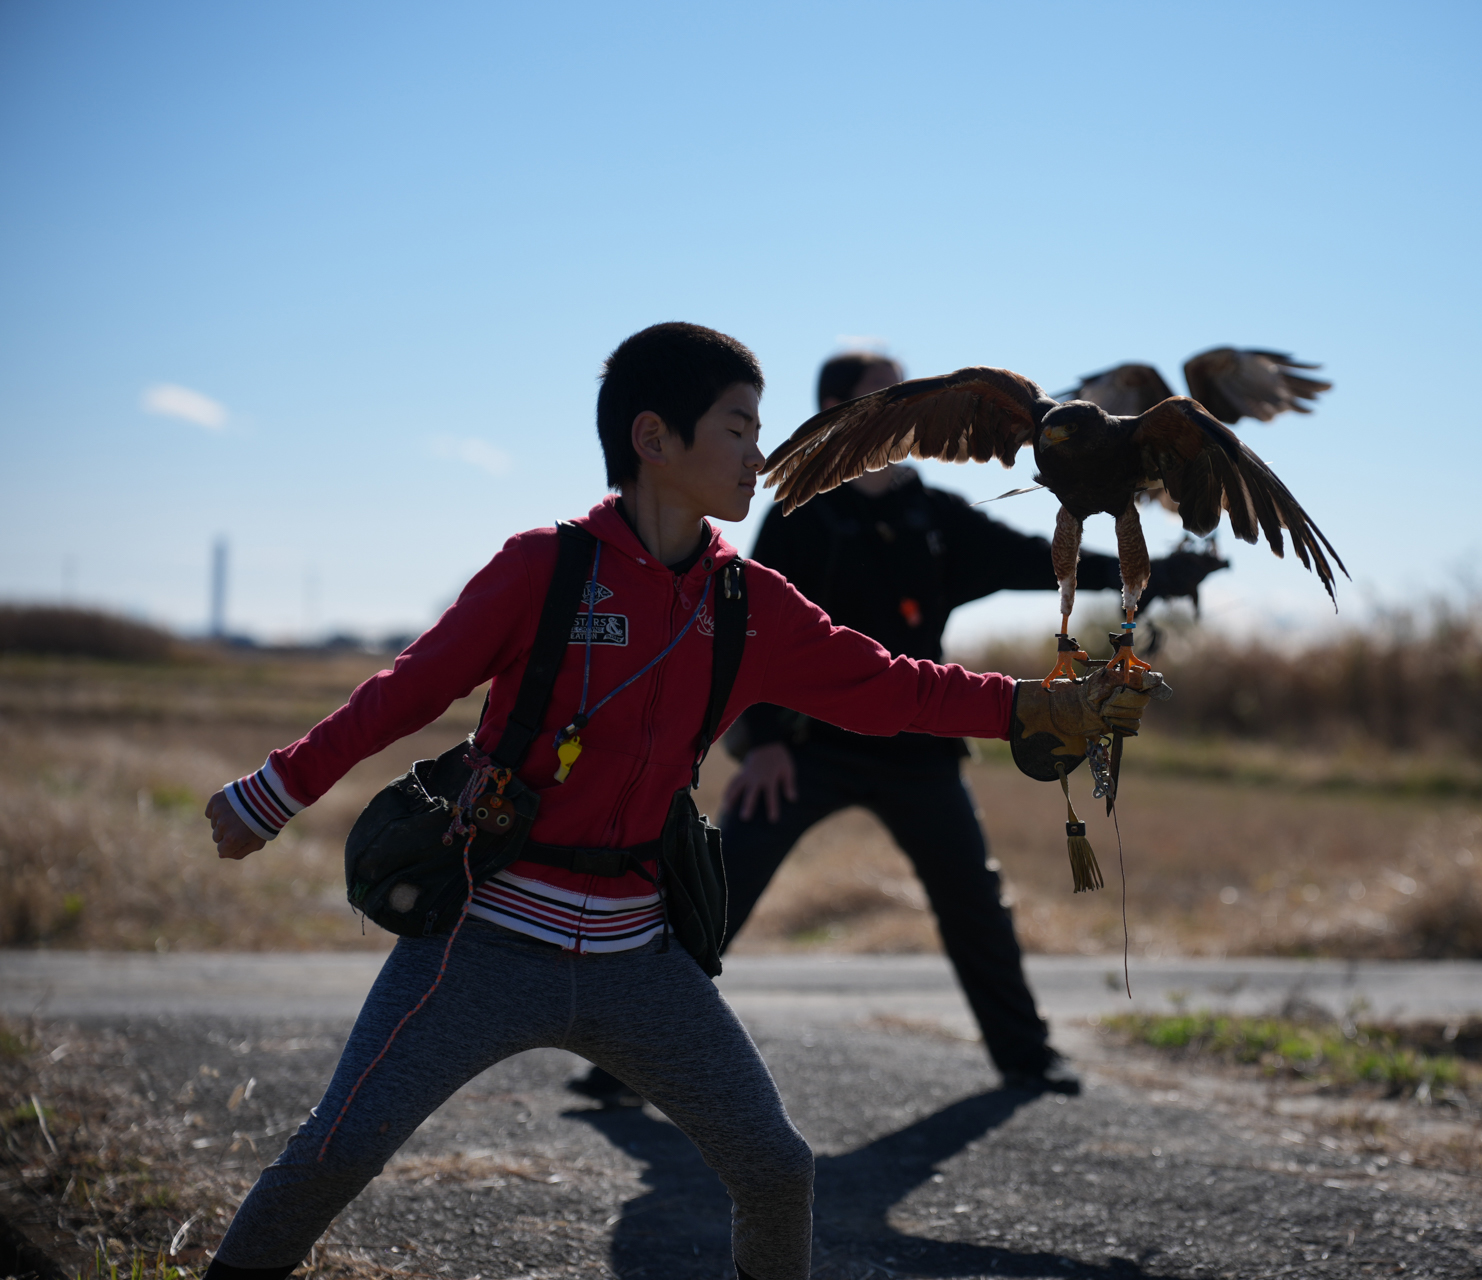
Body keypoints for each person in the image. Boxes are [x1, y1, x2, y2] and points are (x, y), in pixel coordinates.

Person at [197, 324, 1160, 1280]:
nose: (760, 453)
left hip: (639, 960)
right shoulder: (544, 568)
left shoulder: (751, 602)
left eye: (760, 428)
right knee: (333, 1155)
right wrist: (272, 792)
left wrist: (1040, 707)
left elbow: (896, 685)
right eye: (738, 429)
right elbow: (406, 692)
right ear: (654, 439)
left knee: (778, 1170)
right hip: (478, 938)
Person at [573, 351, 1201, 1104]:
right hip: (808, 752)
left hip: (919, 749)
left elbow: (1040, 558)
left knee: (975, 904)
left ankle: (1026, 1059)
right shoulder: (804, 516)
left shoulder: (931, 515)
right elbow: (745, 635)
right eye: (886, 397)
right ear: (846, 411)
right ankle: (622, 1063)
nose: (911, 407)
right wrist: (763, 744)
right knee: (715, 897)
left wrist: (1153, 577)